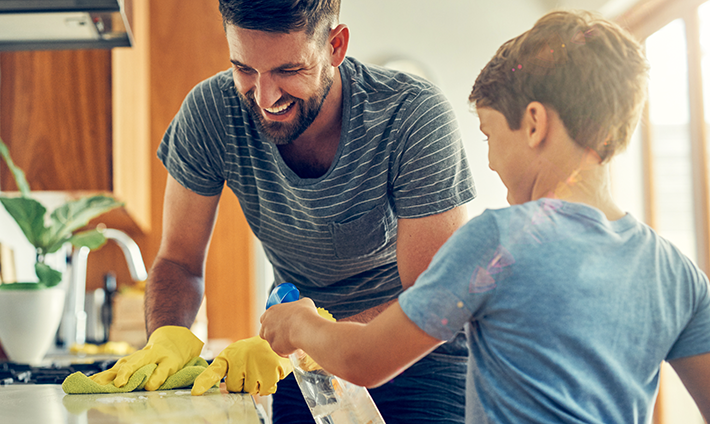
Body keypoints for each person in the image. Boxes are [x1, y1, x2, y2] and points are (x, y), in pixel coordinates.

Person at [259, 9, 710, 423]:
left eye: (489, 134)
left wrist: (301, 322)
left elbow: (368, 361)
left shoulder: (498, 243)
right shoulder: (676, 274)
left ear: (534, 123)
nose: (490, 162)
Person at [90, 0, 476, 422]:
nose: (264, 96)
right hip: (299, 369)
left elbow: (432, 297)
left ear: (335, 45)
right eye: (244, 69)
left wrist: (311, 336)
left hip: (418, 365)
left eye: (288, 71)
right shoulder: (211, 113)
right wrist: (166, 337)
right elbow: (179, 261)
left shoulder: (412, 117)